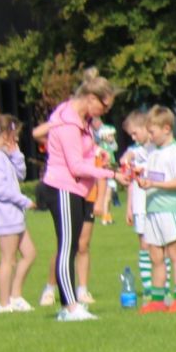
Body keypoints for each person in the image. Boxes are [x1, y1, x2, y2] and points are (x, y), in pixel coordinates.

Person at [41, 68, 117, 320]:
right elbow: (74, 165)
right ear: (92, 99)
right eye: (104, 107)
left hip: (75, 188)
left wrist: (98, 153)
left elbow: (85, 152)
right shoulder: (68, 122)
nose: (103, 113)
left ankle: (70, 305)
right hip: (62, 187)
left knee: (72, 245)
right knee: (67, 246)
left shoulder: (81, 120)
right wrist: (112, 175)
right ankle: (69, 306)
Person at [136, 105, 176, 313]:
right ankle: (157, 300)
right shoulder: (154, 151)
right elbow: (153, 174)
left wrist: (154, 185)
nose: (150, 137)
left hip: (169, 209)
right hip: (152, 209)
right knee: (155, 256)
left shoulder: (175, 152)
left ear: (166, 129)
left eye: (152, 132)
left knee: (174, 253)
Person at [0, 115, 37, 313]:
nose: (16, 139)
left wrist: (16, 154)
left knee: (30, 254)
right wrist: (24, 200)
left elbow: (20, 174)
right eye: (14, 136)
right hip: (4, 215)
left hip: (14, 214)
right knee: (8, 259)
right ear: (4, 133)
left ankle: (15, 296)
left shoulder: (2, 155)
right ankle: (4, 303)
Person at [120, 110, 155, 304]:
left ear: (145, 127)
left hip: (155, 204)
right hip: (140, 206)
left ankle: (161, 285)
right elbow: (132, 181)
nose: (134, 138)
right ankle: (148, 287)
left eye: (135, 133)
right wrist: (129, 207)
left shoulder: (152, 149)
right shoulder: (138, 149)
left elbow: (134, 153)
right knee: (143, 245)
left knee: (158, 246)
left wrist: (129, 154)